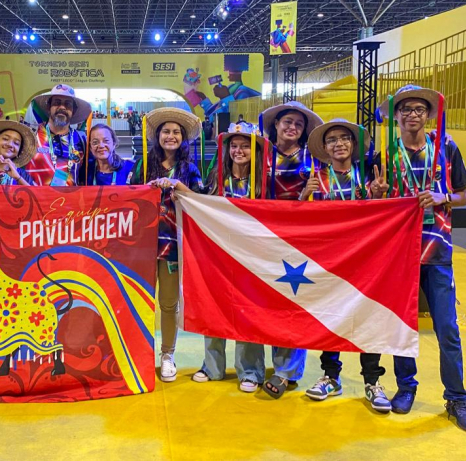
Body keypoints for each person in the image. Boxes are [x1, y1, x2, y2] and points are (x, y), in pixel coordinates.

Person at [371, 84, 466, 432]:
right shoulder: (386, 153)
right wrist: (378, 194)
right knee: (402, 325)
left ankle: (457, 399)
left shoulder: (446, 147)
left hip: (438, 250)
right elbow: (378, 200)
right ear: (397, 116)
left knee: (447, 328)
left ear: (429, 114)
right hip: (400, 252)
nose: (413, 114)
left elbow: (462, 195)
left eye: (419, 109)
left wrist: (442, 194)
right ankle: (406, 387)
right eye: (406, 109)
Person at [299, 119, 391, 413]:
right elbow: (301, 223)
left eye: (344, 139)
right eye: (332, 140)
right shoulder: (317, 180)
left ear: (353, 144)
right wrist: (303, 197)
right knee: (333, 318)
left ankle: (372, 381)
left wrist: (378, 195)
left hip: (365, 261)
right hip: (330, 262)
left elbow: (382, 218)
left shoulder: (367, 179)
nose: (339, 144)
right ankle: (330, 376)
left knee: (368, 319)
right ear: (324, 149)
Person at [130, 107, 205, 382]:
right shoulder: (142, 165)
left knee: (168, 304)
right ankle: (137, 352)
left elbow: (200, 202)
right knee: (137, 300)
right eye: (165, 131)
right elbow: (128, 197)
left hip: (173, 245)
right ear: (157, 136)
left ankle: (167, 355)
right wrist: (147, 189)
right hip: (142, 244)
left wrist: (178, 187)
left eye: (176, 132)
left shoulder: (190, 169)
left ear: (183, 138)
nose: (170, 136)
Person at [192, 122, 267, 393]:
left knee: (248, 312)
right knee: (214, 308)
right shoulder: (215, 179)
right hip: (218, 255)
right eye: (234, 145)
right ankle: (212, 366)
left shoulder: (264, 181)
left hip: (251, 257)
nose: (239, 150)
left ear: (255, 149)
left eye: (245, 145)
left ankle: (250, 370)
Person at [257, 100, 324, 399]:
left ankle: (286, 371)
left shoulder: (314, 159)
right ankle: (272, 366)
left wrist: (307, 196)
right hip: (264, 239)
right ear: (275, 125)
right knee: (268, 304)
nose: (291, 127)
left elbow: (325, 198)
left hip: (300, 239)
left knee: (295, 304)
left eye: (298, 123)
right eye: (286, 122)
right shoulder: (261, 156)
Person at [25, 84, 91, 186]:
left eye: (68, 104)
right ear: (48, 107)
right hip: (34, 200)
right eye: (57, 103)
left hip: (70, 200)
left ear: (73, 111)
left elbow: (87, 176)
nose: (62, 107)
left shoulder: (81, 140)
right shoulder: (31, 136)